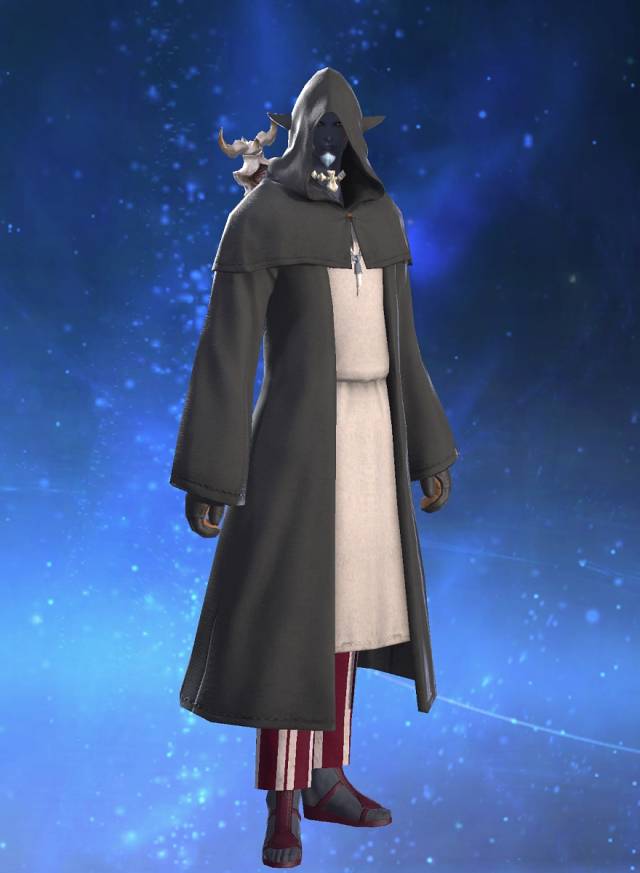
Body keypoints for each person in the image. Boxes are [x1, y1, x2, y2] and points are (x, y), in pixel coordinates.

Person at [170, 67, 458, 868]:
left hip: (374, 434)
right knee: (294, 617)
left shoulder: (382, 216)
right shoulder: (261, 217)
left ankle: (326, 777)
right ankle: (282, 798)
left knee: (351, 613)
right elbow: (227, 354)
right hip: (298, 441)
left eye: (342, 129)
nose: (331, 142)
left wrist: (427, 448)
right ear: (299, 132)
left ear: (358, 137)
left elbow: (404, 347)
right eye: (319, 128)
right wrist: (211, 472)